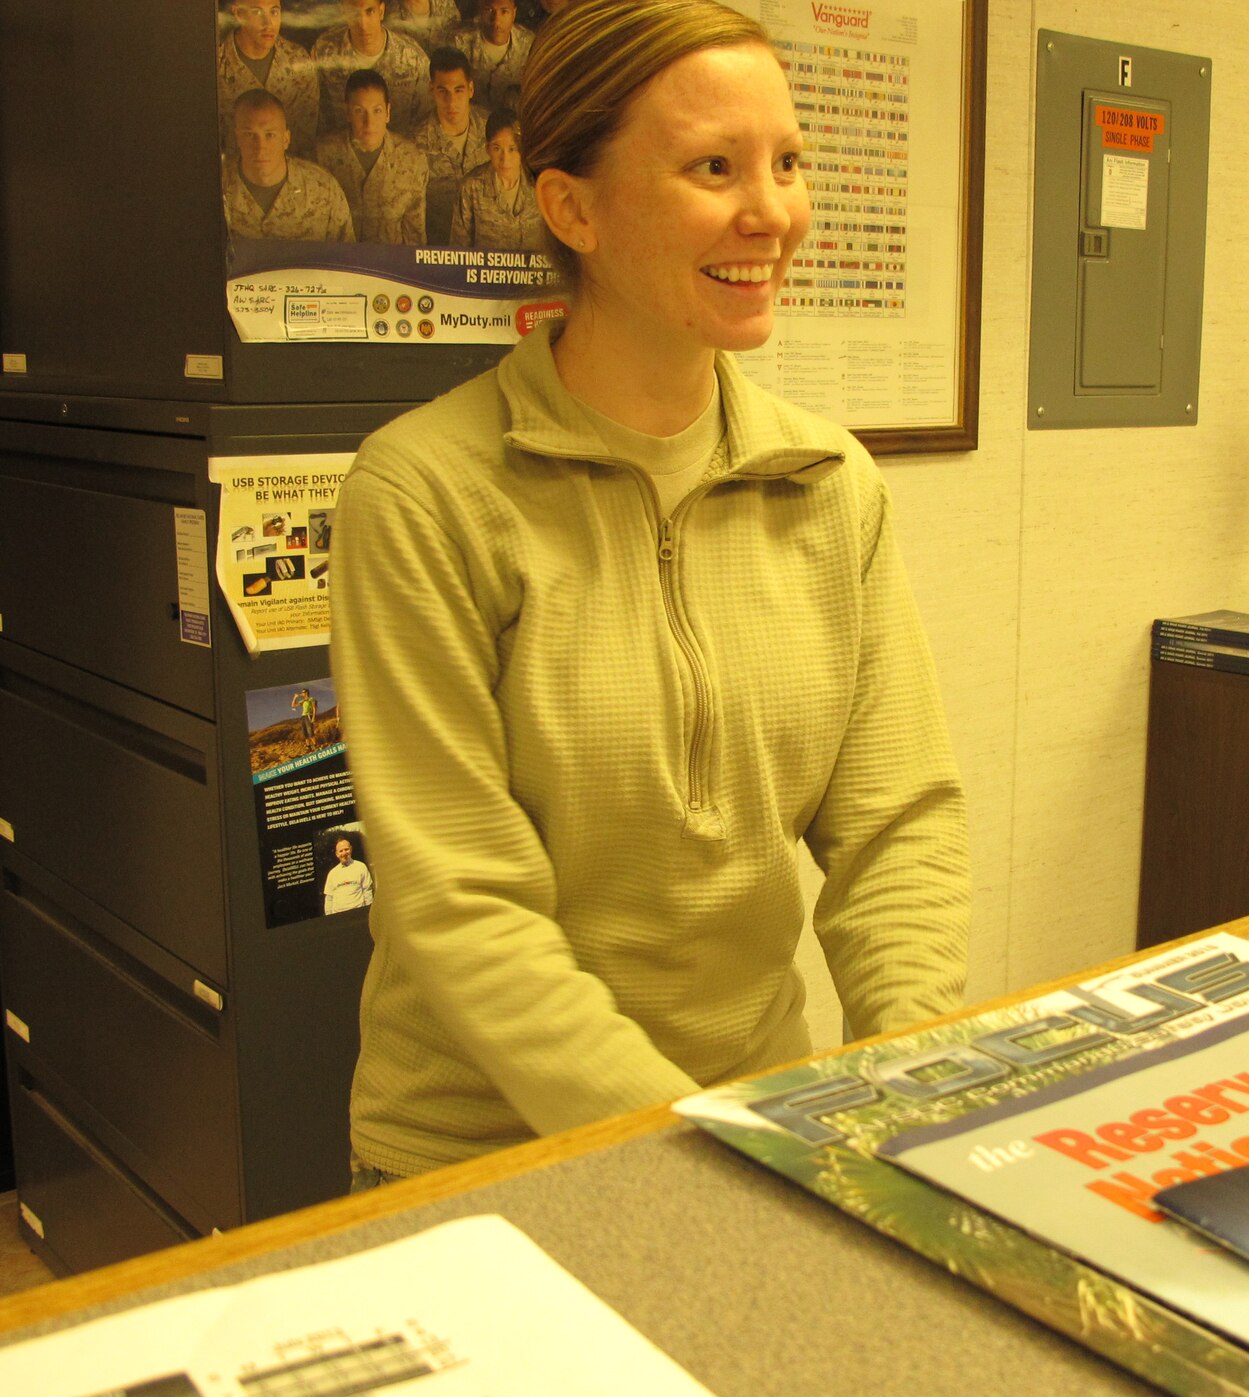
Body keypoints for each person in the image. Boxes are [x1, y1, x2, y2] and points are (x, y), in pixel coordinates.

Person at [331, 0, 969, 1180]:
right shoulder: (424, 494)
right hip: (487, 1157)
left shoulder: (828, 483)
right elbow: (464, 905)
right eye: (711, 167)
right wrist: (702, 1155)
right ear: (572, 206)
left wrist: (908, 1082)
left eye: (786, 163)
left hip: (761, 1119)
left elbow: (895, 827)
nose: (770, 211)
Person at [222, 90, 355, 241]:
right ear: (237, 138)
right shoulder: (216, 190)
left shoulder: (324, 191)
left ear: (286, 139)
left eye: (270, 135)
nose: (260, 147)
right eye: (250, 135)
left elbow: (346, 259)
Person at [318, 71, 429, 243]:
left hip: (390, 265)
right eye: (359, 111)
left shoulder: (412, 160)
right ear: (347, 112)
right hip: (339, 264)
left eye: (377, 111)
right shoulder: (324, 156)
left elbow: (414, 237)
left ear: (388, 112)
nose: (368, 122)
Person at [313, 0, 433, 138]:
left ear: (381, 11)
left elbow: (426, 121)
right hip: (340, 151)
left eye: (370, 11)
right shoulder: (324, 51)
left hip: (398, 153)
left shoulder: (413, 58)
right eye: (354, 14)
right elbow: (317, 117)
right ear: (344, 12)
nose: (363, 24)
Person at [217, 1, 320, 155]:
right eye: (258, 12)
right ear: (239, 14)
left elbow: (305, 137)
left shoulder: (297, 59)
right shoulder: (216, 63)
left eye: (274, 12)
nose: (269, 24)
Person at [414, 48, 490, 245]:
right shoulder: (415, 143)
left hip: (487, 249)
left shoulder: (492, 131)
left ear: (471, 89)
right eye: (443, 91)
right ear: (431, 90)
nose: (451, 102)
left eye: (459, 90)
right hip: (438, 251)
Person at [449, 108, 542, 250]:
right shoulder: (471, 187)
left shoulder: (539, 184)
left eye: (512, 149)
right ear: (487, 149)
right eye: (497, 149)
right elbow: (459, 251)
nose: (505, 160)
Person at [455, 0, 532, 116]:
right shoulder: (458, 44)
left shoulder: (530, 45)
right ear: (480, 10)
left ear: (514, 13)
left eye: (504, 12)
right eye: (489, 10)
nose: (496, 20)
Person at [324, 837, 376, 913]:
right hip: (338, 915)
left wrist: (369, 911)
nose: (344, 853)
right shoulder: (332, 873)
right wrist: (328, 917)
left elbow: (367, 891)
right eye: (341, 851)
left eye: (346, 849)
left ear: (351, 849)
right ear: (337, 854)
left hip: (358, 912)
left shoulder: (361, 867)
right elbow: (329, 898)